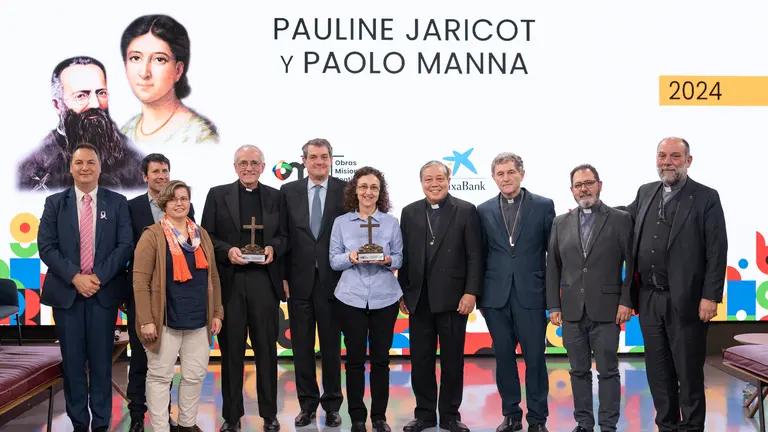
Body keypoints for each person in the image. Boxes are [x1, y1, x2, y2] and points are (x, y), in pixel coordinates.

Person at [619, 137, 727, 431]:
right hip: (650, 299)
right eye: (662, 156)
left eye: (675, 156)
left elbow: (717, 251)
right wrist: (587, 211)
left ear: (688, 161)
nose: (667, 162)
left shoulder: (706, 197)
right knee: (658, 372)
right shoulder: (645, 192)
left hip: (689, 300)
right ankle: (665, 425)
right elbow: (621, 218)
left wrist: (710, 296)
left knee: (689, 373)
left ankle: (691, 427)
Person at [37, 143, 133, 432]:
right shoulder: (55, 203)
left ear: (100, 167)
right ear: (70, 168)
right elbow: (46, 247)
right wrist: (76, 278)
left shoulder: (117, 203)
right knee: (74, 364)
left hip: (103, 295)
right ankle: (80, 423)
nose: (85, 168)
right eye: (79, 163)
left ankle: (102, 423)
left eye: (91, 162)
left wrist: (97, 278)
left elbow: (125, 245)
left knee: (103, 364)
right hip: (68, 296)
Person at [201, 145, 286, 432]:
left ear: (263, 167)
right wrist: (227, 251)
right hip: (231, 283)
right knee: (232, 353)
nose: (248, 168)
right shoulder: (216, 194)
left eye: (254, 163)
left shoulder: (277, 196)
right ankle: (231, 416)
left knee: (266, 352)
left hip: (265, 283)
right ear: (234, 167)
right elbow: (206, 235)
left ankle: (269, 414)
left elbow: (285, 236)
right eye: (243, 163)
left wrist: (274, 247)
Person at [546, 164, 633, 432]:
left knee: (608, 371)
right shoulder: (560, 222)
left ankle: (608, 425)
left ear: (600, 185)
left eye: (589, 183)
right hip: (571, 310)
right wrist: (553, 305)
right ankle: (584, 423)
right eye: (578, 185)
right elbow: (553, 267)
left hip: (608, 309)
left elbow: (632, 264)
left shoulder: (620, 219)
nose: (584, 189)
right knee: (578, 371)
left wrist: (627, 300)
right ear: (571, 190)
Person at [398, 160, 482, 432]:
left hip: (453, 299)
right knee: (420, 361)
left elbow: (475, 256)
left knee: (452, 361)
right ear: (421, 182)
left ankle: (449, 415)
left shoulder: (466, 211)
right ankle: (423, 414)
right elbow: (407, 257)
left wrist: (471, 292)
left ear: (449, 180)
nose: (434, 184)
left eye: (439, 178)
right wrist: (404, 292)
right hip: (419, 300)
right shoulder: (409, 212)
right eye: (428, 179)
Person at [133, 180, 223, 432]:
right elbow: (139, 281)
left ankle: (186, 424)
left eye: (184, 198)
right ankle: (161, 428)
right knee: (160, 377)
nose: (180, 203)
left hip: (198, 320)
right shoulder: (152, 235)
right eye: (174, 199)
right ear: (164, 203)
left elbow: (213, 276)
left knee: (195, 376)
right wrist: (146, 320)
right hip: (164, 320)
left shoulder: (201, 234)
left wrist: (217, 312)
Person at [477, 152, 555, 432]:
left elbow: (553, 253)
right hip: (495, 297)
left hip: (532, 295)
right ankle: (511, 415)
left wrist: (553, 297)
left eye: (511, 172)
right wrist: (478, 297)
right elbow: (479, 255)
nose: (506, 178)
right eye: (500, 174)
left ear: (522, 173)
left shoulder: (544, 205)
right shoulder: (483, 210)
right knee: (504, 359)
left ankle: (537, 418)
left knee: (535, 359)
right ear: (494, 177)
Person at [276, 139, 345, 427]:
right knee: (302, 347)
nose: (319, 161)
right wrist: (281, 277)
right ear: (303, 160)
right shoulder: (288, 191)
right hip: (299, 281)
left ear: (331, 159)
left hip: (334, 281)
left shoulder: (345, 190)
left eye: (324, 156)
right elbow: (282, 235)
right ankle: (307, 405)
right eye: (313, 157)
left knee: (331, 346)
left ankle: (332, 405)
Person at [329, 166, 403, 432]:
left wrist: (388, 260)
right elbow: (333, 261)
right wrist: (350, 257)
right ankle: (358, 417)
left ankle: (379, 417)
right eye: (363, 187)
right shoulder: (341, 222)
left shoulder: (391, 222)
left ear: (380, 192)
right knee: (355, 361)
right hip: (351, 298)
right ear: (355, 190)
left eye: (373, 187)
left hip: (385, 298)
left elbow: (399, 257)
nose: (368, 192)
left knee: (381, 360)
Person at [126, 153, 196, 432]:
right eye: (155, 171)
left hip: (174, 299)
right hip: (142, 296)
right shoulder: (131, 208)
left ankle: (162, 417)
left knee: (165, 362)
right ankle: (135, 417)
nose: (161, 176)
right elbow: (126, 252)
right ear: (145, 176)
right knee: (141, 360)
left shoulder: (184, 209)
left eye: (165, 170)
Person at [17, 56, 145, 191]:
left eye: (101, 93)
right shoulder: (33, 169)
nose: (95, 103)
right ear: (57, 105)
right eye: (81, 96)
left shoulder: (134, 159)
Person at [120, 14, 219, 147]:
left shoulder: (199, 136)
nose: (144, 73)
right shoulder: (126, 132)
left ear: (178, 70)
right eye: (136, 58)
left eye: (159, 59)